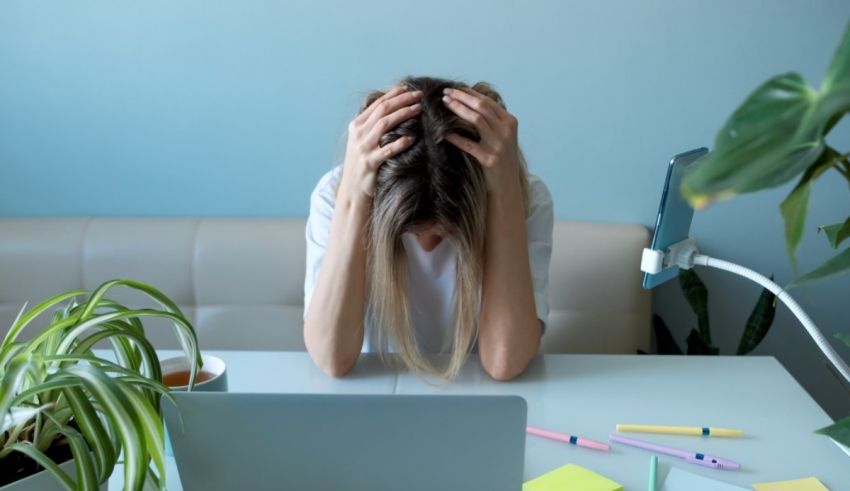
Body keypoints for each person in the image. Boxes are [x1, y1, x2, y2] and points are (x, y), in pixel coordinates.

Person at [303, 75, 553, 381]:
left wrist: (504, 197)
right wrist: (354, 201)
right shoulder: (335, 195)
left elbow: (505, 361)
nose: (427, 245)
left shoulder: (526, 199)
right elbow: (331, 358)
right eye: (411, 231)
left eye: (447, 231)